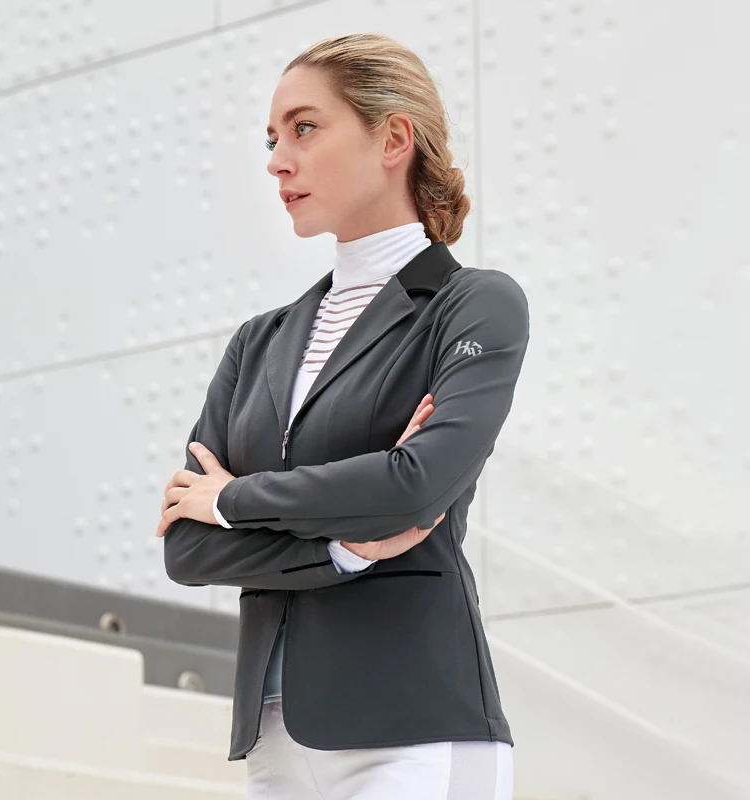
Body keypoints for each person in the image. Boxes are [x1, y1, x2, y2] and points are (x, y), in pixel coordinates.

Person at [158, 32, 530, 800]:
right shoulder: (258, 343)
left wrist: (234, 500)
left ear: (393, 137)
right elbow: (187, 549)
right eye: (271, 138)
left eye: (303, 128)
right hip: (273, 740)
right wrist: (345, 552)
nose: (276, 160)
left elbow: (413, 488)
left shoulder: (475, 306)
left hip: (417, 731)